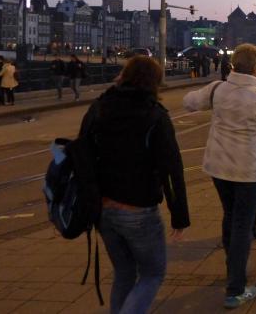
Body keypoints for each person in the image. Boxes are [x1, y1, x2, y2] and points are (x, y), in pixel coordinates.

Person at [78, 55, 189, 313]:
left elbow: (82, 155)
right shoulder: (155, 115)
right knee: (152, 274)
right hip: (138, 209)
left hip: (103, 208)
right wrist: (180, 215)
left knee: (124, 272)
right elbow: (171, 169)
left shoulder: (99, 107)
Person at [182, 44, 256, 309]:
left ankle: (232, 267)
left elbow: (188, 102)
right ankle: (236, 287)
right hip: (248, 172)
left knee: (230, 216)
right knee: (242, 225)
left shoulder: (217, 89)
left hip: (219, 168)